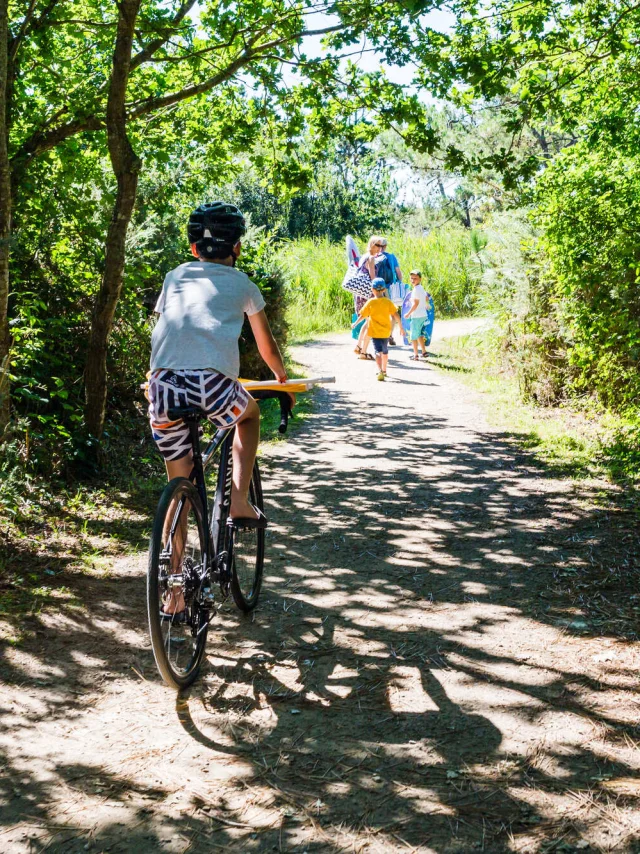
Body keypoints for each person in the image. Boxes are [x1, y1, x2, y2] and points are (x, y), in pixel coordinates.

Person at [148, 202, 293, 528]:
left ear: (192, 248)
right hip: (211, 383)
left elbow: (165, 330)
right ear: (237, 247)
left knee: (180, 487)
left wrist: (156, 374)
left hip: (162, 386)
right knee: (250, 415)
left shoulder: (174, 277)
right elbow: (266, 346)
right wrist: (281, 377)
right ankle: (239, 502)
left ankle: (171, 573)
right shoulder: (243, 284)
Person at [353, 278, 401, 381]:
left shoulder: (371, 302)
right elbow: (396, 315)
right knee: (385, 351)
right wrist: (401, 327)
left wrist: (355, 323)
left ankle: (380, 371)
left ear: (372, 289)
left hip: (374, 332)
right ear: (384, 290)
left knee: (378, 352)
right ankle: (384, 370)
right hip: (386, 332)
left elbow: (362, 315)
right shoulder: (388, 302)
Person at [353, 236, 385, 360]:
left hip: (360, 294)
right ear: (372, 244)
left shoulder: (364, 257)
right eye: (378, 245)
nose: (380, 248)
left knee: (367, 322)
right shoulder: (371, 258)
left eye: (381, 246)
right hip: (369, 295)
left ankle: (359, 346)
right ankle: (363, 352)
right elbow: (373, 279)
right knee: (371, 323)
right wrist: (380, 293)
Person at [380, 238, 406, 345]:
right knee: (393, 312)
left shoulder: (374, 257)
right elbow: (398, 273)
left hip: (378, 288)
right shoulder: (391, 257)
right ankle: (389, 335)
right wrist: (400, 284)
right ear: (386, 246)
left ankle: (380, 335)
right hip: (390, 288)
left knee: (380, 312)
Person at [404, 270, 433, 360]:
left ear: (420, 279)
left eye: (415, 278)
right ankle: (424, 352)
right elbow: (426, 298)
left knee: (413, 336)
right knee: (419, 334)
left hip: (416, 316)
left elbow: (415, 304)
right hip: (423, 315)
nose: (413, 280)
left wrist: (408, 314)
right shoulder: (421, 288)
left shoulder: (415, 290)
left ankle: (415, 355)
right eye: (411, 278)